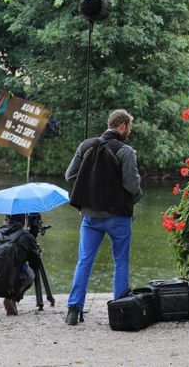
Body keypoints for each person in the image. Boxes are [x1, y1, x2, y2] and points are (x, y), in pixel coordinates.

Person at [63, 109, 143, 326]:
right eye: (130, 127)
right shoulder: (126, 151)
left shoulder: (86, 145)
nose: (129, 131)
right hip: (118, 217)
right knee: (121, 261)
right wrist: (135, 197)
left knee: (84, 261)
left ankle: (73, 309)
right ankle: (120, 309)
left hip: (90, 215)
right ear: (123, 126)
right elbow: (131, 185)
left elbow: (69, 175)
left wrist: (92, 181)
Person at [0, 213, 42, 315]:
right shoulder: (26, 237)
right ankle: (10, 298)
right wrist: (36, 252)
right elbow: (35, 265)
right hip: (10, 284)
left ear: (6, 219)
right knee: (30, 273)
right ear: (24, 221)